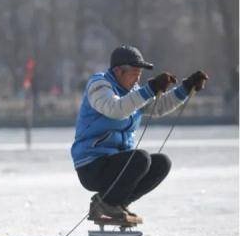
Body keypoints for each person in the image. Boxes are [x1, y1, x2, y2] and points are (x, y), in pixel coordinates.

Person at [71, 45, 209, 223]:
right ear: (118, 71)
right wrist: (149, 90)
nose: (138, 78)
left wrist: (186, 88)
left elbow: (158, 107)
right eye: (134, 73)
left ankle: (113, 203)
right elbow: (115, 109)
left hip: (116, 164)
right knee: (141, 158)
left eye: (140, 74)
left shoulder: (134, 92)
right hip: (92, 166)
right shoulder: (99, 85)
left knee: (161, 163)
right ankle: (108, 203)